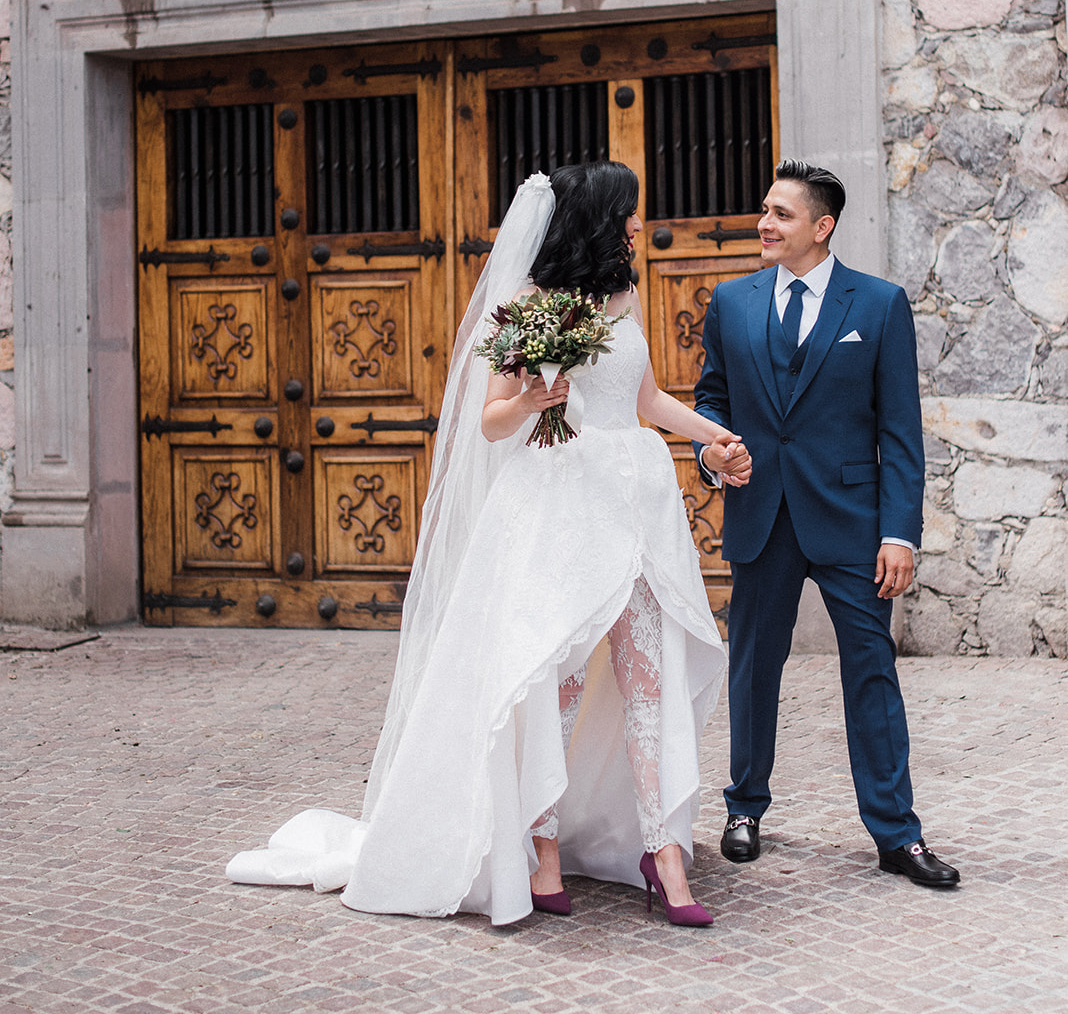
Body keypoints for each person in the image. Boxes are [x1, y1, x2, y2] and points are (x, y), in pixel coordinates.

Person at [228, 163, 751, 926]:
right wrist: (537, 395)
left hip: (633, 501)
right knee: (556, 681)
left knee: (647, 678)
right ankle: (539, 850)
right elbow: (491, 421)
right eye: (631, 212)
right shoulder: (527, 307)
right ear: (599, 218)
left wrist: (715, 434)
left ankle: (663, 853)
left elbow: (645, 400)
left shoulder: (625, 297)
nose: (641, 223)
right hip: (560, 506)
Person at [692, 159, 959, 889]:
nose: (765, 223)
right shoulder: (732, 301)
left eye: (781, 214)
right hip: (761, 516)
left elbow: (900, 431)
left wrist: (899, 533)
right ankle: (744, 808)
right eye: (765, 210)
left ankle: (896, 835)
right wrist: (711, 452)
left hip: (853, 524)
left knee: (871, 674)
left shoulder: (877, 306)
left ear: (822, 226)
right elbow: (710, 398)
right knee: (752, 672)